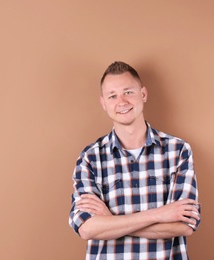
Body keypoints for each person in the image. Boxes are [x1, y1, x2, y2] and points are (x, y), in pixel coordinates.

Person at [69, 61, 200, 260]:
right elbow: (87, 228)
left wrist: (111, 221)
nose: (121, 101)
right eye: (112, 96)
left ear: (143, 94)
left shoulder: (178, 151)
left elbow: (184, 225)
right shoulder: (90, 158)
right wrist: (159, 214)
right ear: (104, 103)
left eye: (128, 92)